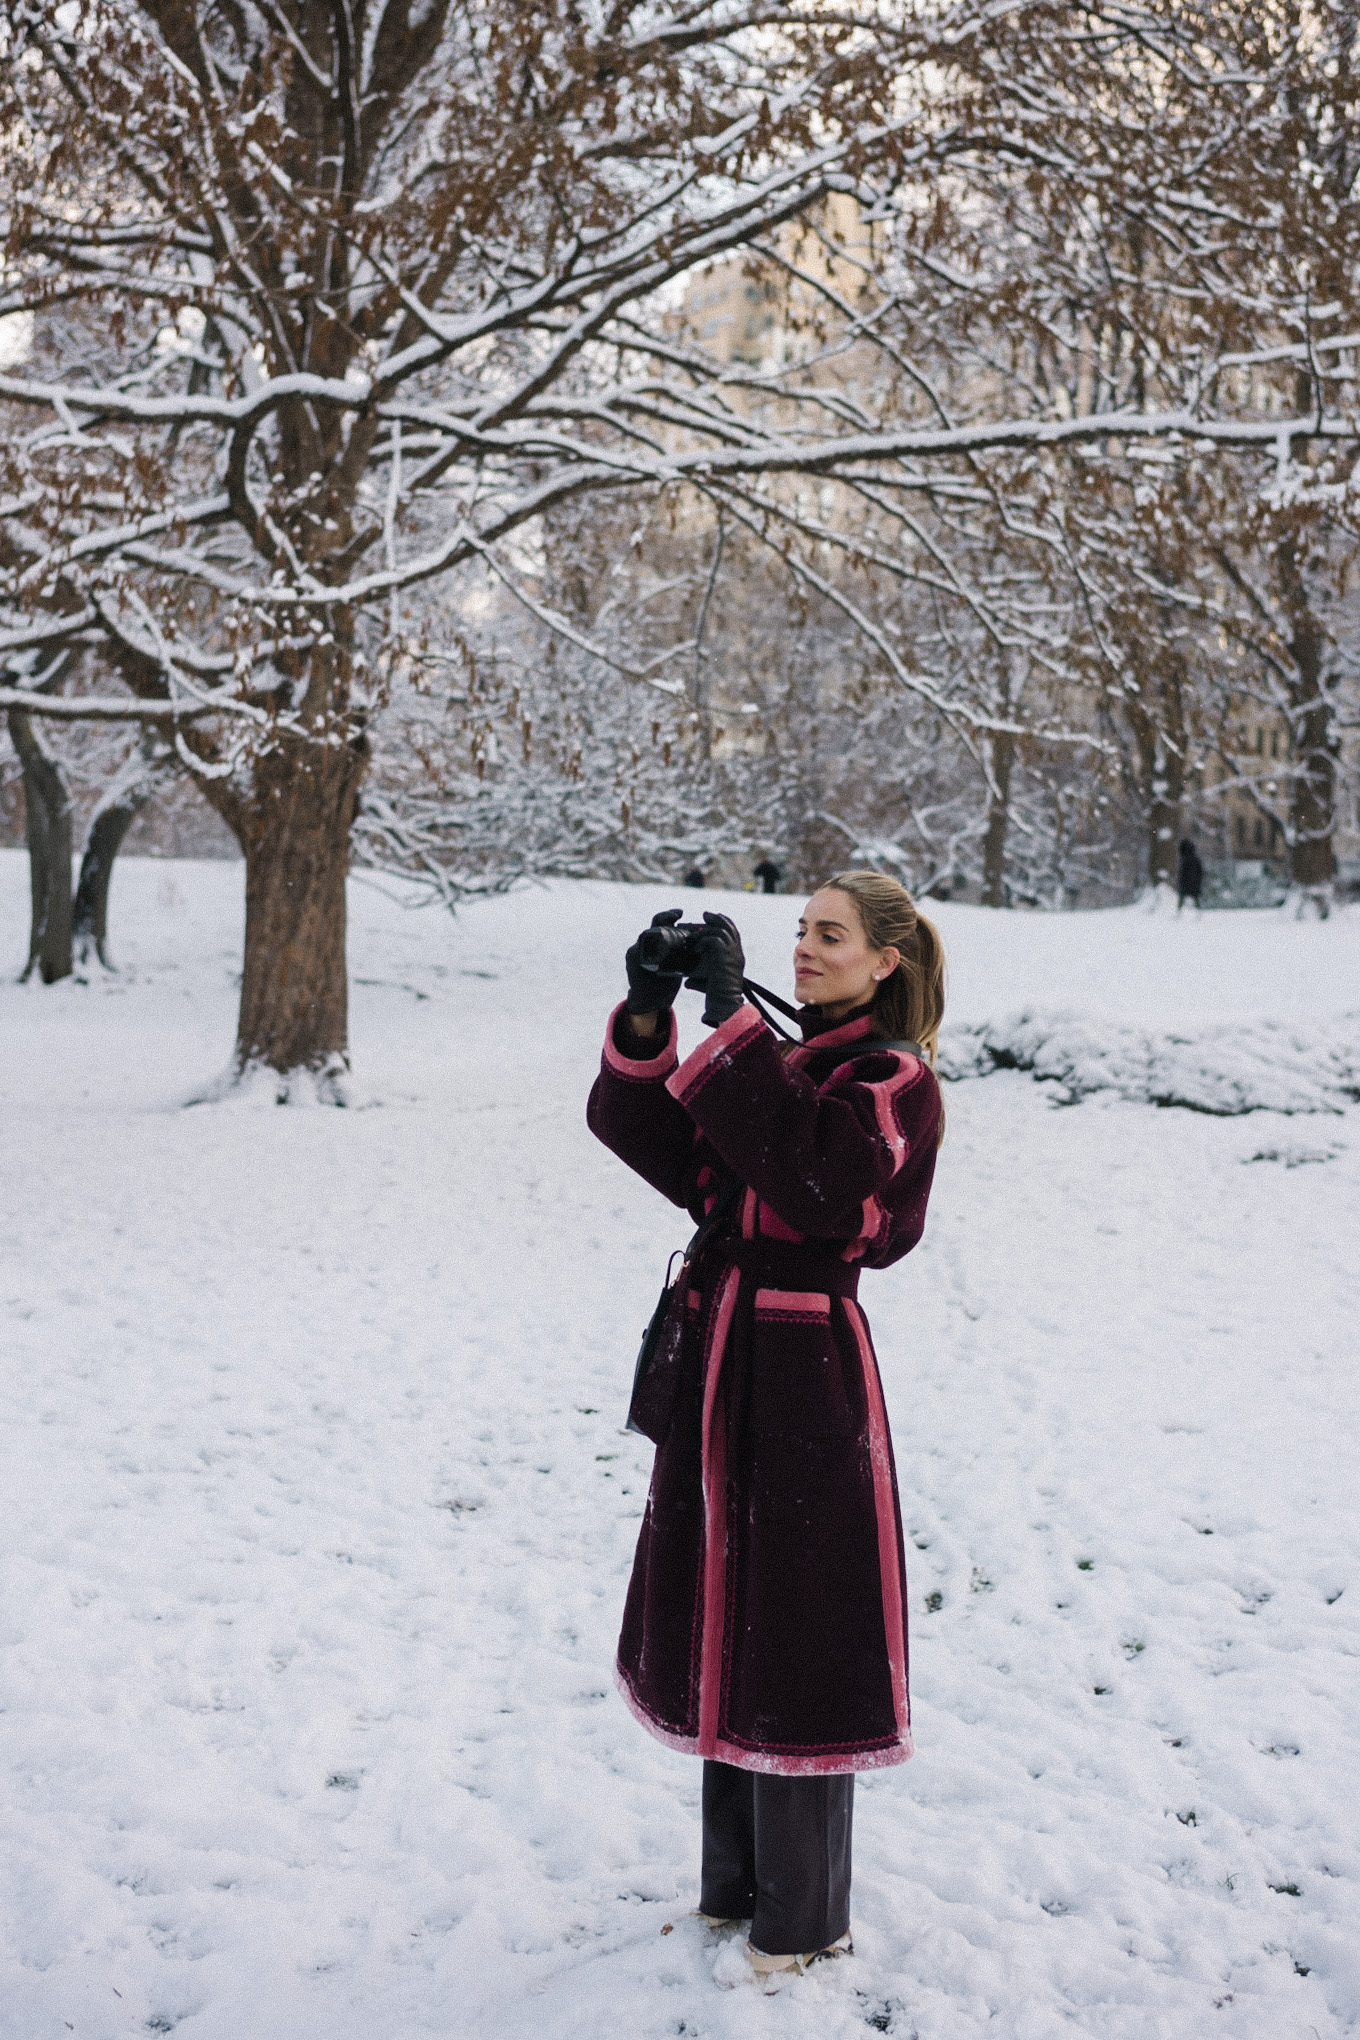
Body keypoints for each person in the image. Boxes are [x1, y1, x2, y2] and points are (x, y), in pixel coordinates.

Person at [587, 870, 945, 1981]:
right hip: (723, 1350)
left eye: (827, 935)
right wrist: (650, 1016)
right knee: (725, 1598)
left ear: (883, 959)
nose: (803, 949)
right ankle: (732, 1889)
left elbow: (818, 1182)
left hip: (805, 1366)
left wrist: (734, 1022)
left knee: (800, 1619)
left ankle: (803, 1920)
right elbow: (674, 1153)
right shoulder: (787, 1062)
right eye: (798, 931)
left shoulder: (891, 1080)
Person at [1176, 838, 1203, 911]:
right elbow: (1200, 872)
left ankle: (1178, 912)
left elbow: (1182, 873)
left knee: (1182, 897)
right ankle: (1199, 912)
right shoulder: (1195, 859)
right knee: (1195, 897)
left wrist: (1181, 882)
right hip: (1194, 883)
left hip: (1186, 883)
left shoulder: (1184, 859)